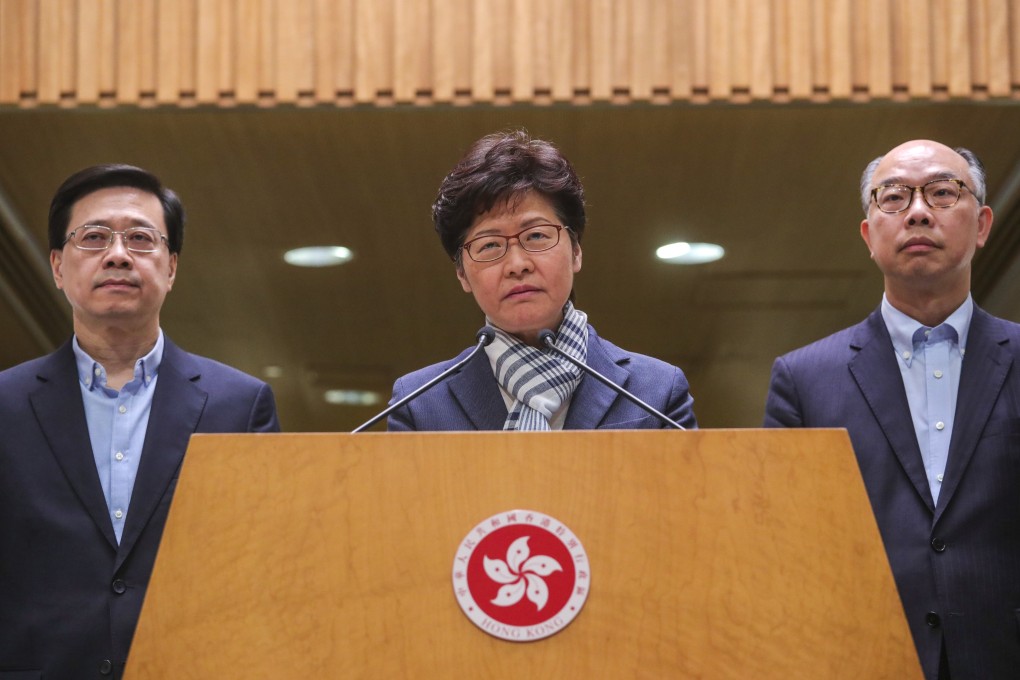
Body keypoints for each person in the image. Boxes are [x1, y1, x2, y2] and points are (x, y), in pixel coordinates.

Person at [0, 164, 280, 679]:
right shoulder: (5, 404)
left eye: (140, 238)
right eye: (94, 237)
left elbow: (262, 570)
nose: (118, 254)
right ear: (58, 267)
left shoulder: (239, 405)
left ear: (171, 267)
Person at [764, 140, 1020, 680]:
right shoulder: (804, 380)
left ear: (982, 225)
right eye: (894, 197)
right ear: (868, 234)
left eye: (943, 193)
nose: (919, 211)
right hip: (860, 659)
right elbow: (785, 552)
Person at [388, 130, 696, 431]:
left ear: (576, 251)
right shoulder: (420, 404)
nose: (517, 265)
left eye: (536, 236)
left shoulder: (656, 393)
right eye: (490, 245)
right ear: (462, 274)